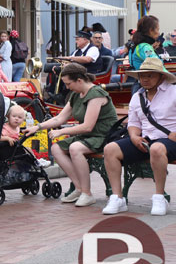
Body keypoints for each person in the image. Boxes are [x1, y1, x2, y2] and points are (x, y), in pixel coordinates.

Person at [25, 63, 117, 207]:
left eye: (68, 83)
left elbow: (87, 126)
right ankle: (79, 188)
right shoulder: (76, 94)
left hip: (103, 136)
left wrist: (61, 131)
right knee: (56, 149)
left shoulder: (96, 94)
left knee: (75, 148)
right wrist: (37, 127)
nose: (67, 87)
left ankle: (87, 193)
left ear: (79, 80)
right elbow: (59, 118)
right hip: (89, 136)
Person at [101, 57, 176, 216]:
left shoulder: (173, 92)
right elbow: (134, 123)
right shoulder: (137, 96)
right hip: (145, 140)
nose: (145, 79)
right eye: (142, 76)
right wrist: (134, 137)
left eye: (150, 75)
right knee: (110, 149)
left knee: (156, 148)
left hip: (170, 140)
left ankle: (159, 197)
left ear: (161, 76)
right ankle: (117, 198)